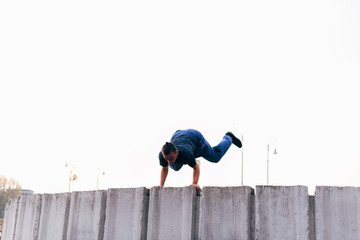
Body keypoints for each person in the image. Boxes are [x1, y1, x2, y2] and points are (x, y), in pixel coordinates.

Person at [157, 129, 242, 191]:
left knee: (215, 157)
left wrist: (194, 184)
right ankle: (191, 160)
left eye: (171, 158)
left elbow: (195, 168)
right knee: (175, 167)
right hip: (177, 135)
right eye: (167, 159)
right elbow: (164, 168)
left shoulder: (186, 154)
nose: (169, 162)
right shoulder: (162, 155)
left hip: (196, 139)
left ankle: (229, 137)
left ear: (177, 152)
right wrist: (161, 185)